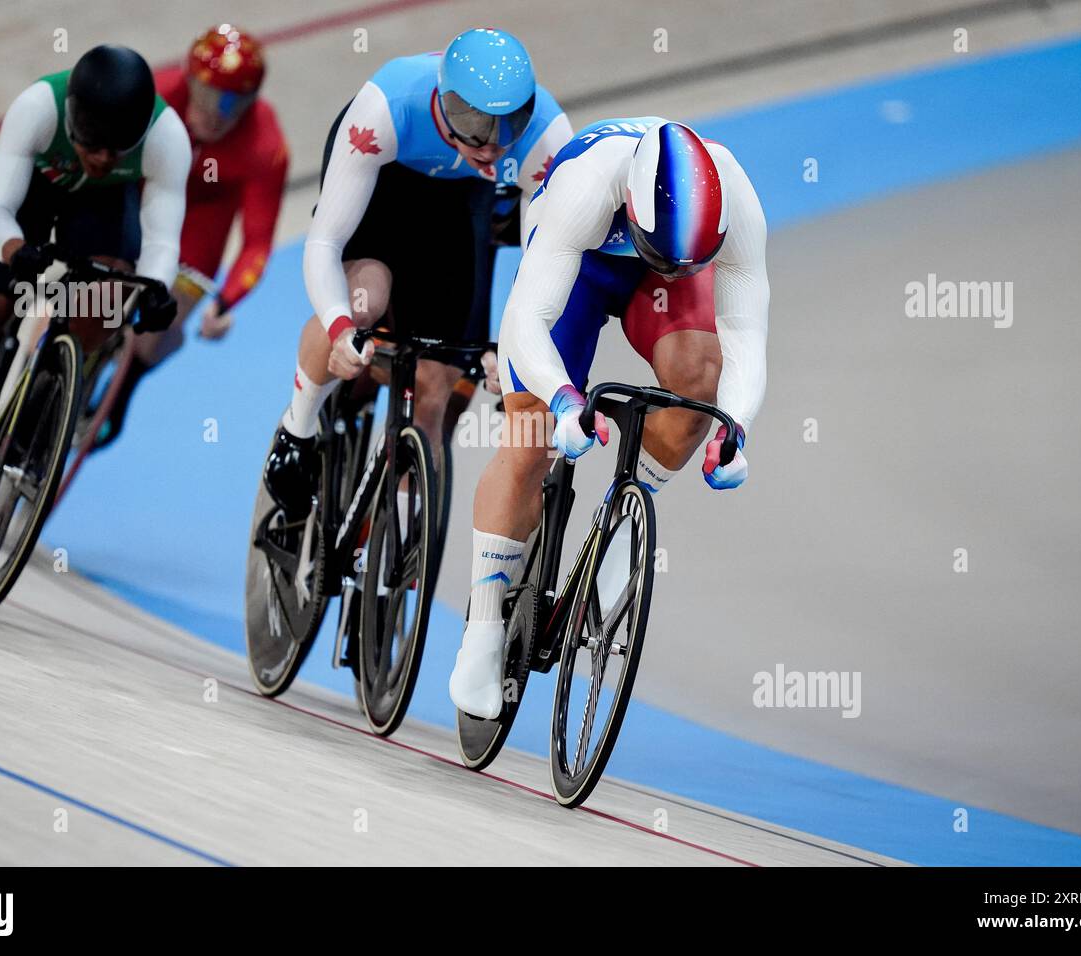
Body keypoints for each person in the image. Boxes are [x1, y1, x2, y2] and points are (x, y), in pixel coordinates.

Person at [448, 118, 770, 718]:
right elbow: (527, 321)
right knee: (528, 433)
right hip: (584, 264)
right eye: (668, 258)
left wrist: (736, 426)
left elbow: (746, 331)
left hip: (655, 261)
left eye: (688, 262)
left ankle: (623, 518)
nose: (678, 271)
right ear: (631, 206)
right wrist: (564, 399)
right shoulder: (585, 186)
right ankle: (484, 626)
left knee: (699, 379)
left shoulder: (735, 200)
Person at [262, 27, 572, 520]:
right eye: (473, 122)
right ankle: (296, 430)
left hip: (457, 204)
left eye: (508, 124)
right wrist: (341, 326)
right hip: (384, 186)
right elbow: (324, 241)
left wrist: (516, 348)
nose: (491, 144)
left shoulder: (548, 138)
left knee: (436, 382)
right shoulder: (388, 106)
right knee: (364, 298)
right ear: (443, 100)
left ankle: (397, 562)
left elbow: (549, 262)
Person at [0, 44, 189, 530]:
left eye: (118, 150)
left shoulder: (167, 137)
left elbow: (162, 236)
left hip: (100, 209)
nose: (103, 158)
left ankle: (35, 414)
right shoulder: (37, 107)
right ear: (72, 120)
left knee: (105, 302)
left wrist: (156, 287)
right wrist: (15, 252)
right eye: (93, 145)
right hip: (26, 198)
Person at [97, 24, 290, 447]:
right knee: (89, 280)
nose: (217, 112)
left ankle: (122, 391)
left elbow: (257, 242)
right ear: (188, 81)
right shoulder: (155, 95)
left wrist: (225, 299)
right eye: (206, 96)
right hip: (140, 193)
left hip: (201, 220)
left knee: (166, 315)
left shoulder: (266, 143)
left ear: (251, 103)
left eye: (232, 103)